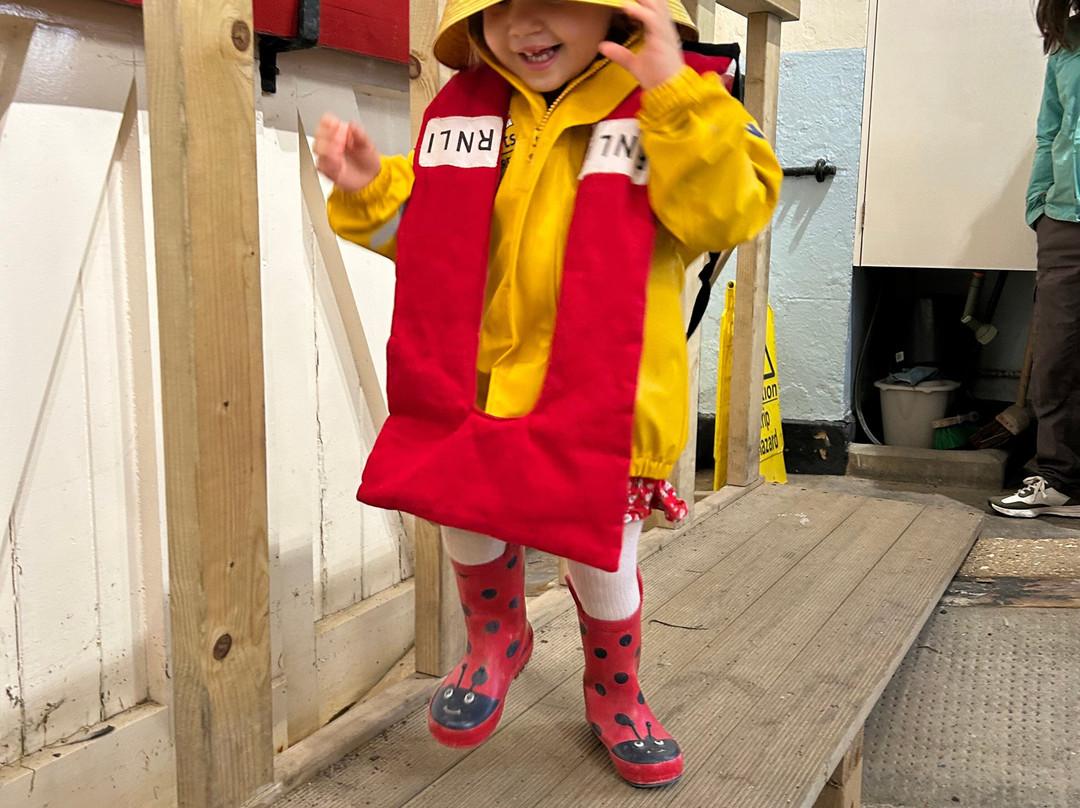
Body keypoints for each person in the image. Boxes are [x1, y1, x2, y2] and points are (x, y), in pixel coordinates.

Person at [314, 0, 781, 786]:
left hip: (611, 405)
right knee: (464, 517)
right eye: (497, 10)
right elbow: (424, 242)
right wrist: (369, 191)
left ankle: (615, 689)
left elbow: (727, 210)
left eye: (553, 2)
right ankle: (497, 637)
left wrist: (673, 96)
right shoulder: (468, 117)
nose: (524, 24)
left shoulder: (681, 103)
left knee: (604, 558)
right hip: (480, 387)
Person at [990, 0, 1080, 519]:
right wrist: (1039, 207)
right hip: (1065, 221)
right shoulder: (1066, 49)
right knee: (1057, 355)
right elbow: (1050, 132)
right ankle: (1059, 478)